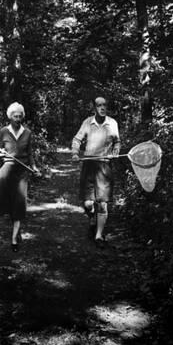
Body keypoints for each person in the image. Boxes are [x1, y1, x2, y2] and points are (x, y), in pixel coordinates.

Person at [71, 96, 121, 247]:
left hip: (104, 166)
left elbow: (117, 142)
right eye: (99, 105)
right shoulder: (87, 122)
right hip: (88, 165)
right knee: (88, 203)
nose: (102, 108)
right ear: (94, 107)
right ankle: (92, 218)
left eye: (104, 105)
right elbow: (77, 139)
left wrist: (116, 151)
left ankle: (99, 236)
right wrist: (74, 153)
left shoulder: (112, 123)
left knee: (103, 203)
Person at [0, 102, 40, 252]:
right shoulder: (3, 132)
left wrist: (34, 167)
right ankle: (15, 226)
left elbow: (30, 153)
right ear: (10, 116)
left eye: (20, 116)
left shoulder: (27, 133)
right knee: (6, 201)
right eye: (15, 116)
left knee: (19, 203)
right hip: (7, 170)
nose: (18, 119)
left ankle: (14, 239)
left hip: (22, 171)